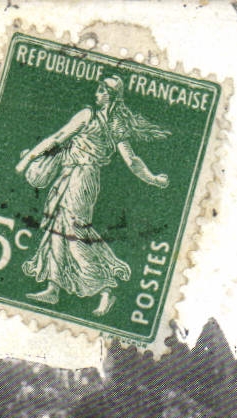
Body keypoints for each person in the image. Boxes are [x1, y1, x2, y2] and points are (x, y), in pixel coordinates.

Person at [14, 76, 172, 317]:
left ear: (109, 94)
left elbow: (59, 138)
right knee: (57, 227)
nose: (96, 94)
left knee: (74, 231)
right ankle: (53, 287)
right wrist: (153, 179)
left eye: (100, 90)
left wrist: (27, 159)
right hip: (69, 175)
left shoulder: (95, 117)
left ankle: (106, 288)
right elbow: (60, 139)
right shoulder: (107, 121)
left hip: (83, 179)